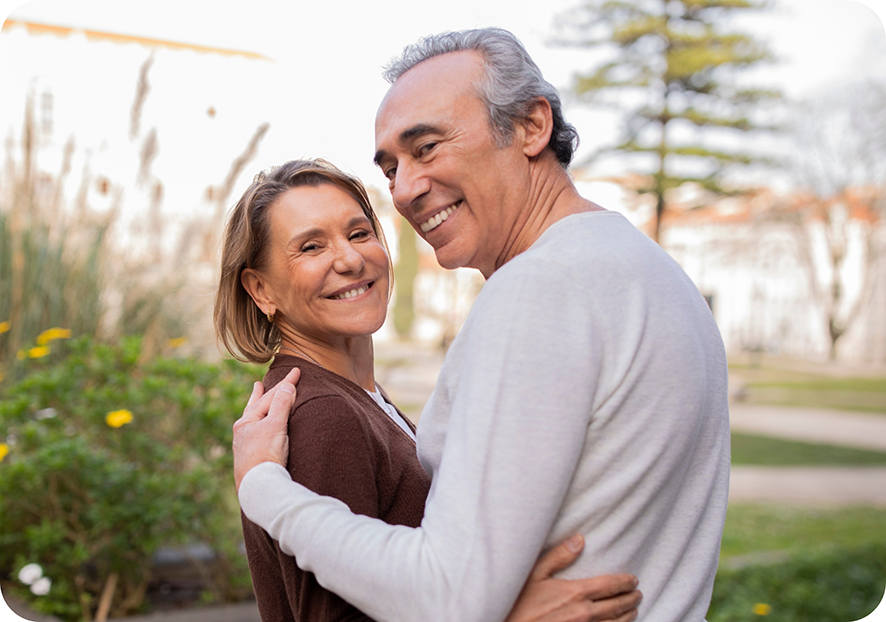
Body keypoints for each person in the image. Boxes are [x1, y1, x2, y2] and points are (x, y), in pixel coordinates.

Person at [234, 28, 730, 622]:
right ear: (258, 288)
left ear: (530, 126)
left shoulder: (542, 287)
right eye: (391, 167)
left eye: (428, 147)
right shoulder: (650, 270)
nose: (406, 188)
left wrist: (266, 491)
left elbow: (449, 594)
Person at [216, 158, 642, 622]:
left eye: (359, 233)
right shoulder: (320, 412)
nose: (350, 259)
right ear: (261, 290)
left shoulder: (358, 395)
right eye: (311, 246)